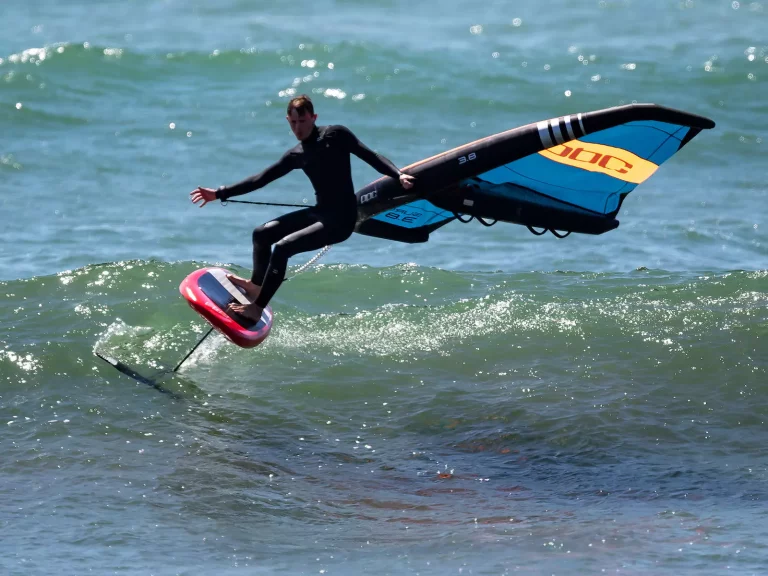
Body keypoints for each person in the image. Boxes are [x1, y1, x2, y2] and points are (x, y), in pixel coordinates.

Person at [190, 94, 415, 321]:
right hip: (321, 213)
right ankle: (256, 286)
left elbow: (370, 156)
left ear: (313, 117)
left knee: (283, 248)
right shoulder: (296, 155)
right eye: (293, 122)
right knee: (261, 234)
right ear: (288, 120)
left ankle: (257, 308)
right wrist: (219, 193)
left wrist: (398, 175)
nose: (298, 128)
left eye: (302, 121)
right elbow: (260, 179)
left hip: (341, 220)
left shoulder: (336, 135)